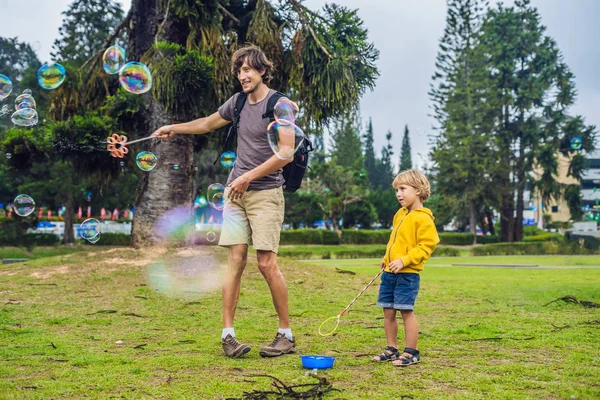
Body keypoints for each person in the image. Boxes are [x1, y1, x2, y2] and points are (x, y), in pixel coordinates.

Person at [151, 45, 296, 358]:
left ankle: (285, 334)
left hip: (266, 193)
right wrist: (173, 129)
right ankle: (228, 335)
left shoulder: (280, 104)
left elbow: (286, 152)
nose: (242, 75)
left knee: (266, 263)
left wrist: (248, 177)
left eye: (247, 69)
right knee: (235, 261)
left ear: (262, 71)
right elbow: (206, 123)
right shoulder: (239, 103)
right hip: (235, 193)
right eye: (239, 70)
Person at [371, 169, 439, 366]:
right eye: (396, 190)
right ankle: (391, 348)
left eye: (402, 189)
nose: (398, 194)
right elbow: (395, 240)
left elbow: (427, 245)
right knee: (388, 310)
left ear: (418, 190)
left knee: (405, 311)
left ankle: (412, 352)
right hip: (390, 273)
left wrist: (404, 260)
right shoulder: (400, 214)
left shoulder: (423, 218)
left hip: (407, 274)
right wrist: (387, 257)